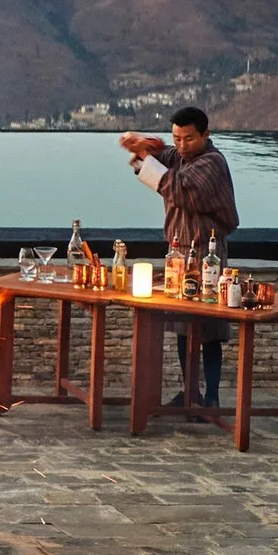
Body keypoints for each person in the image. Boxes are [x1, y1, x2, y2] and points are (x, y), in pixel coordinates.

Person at [118, 106, 241, 406]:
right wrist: (143, 146)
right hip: (178, 251)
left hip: (206, 252)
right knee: (183, 327)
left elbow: (182, 190)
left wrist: (147, 158)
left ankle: (210, 398)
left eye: (188, 139)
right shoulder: (181, 156)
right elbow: (161, 157)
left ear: (205, 135)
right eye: (177, 138)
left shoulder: (212, 163)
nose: (182, 145)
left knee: (210, 329)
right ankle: (190, 394)